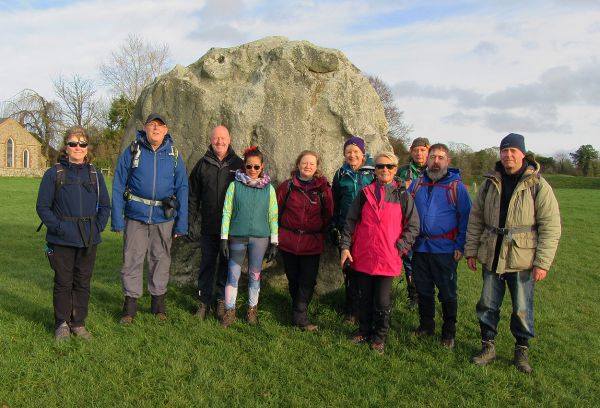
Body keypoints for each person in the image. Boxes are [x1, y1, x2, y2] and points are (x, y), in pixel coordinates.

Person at [465, 133, 561, 374]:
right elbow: (475, 219)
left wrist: (543, 263)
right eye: (504, 150)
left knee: (521, 307)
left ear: (523, 154)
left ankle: (521, 350)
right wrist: (471, 251)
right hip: (491, 253)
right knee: (487, 304)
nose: (508, 155)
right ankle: (488, 346)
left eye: (513, 151)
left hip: (522, 258)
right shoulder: (489, 182)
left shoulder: (538, 185)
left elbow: (551, 226)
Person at [112, 113, 188, 324]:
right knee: (132, 259)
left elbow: (182, 187)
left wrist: (181, 222)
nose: (156, 129)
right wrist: (117, 219)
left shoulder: (173, 154)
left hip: (163, 217)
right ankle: (129, 307)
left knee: (161, 259)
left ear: (166, 130)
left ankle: (158, 306)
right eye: (152, 125)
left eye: (160, 126)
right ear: (144, 128)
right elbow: (118, 183)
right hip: (135, 215)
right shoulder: (133, 150)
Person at [340, 152, 419, 354]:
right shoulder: (364, 193)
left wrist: (399, 247)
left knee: (382, 301)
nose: (385, 170)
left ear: (395, 168)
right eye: (381, 166)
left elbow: (413, 226)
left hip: (387, 257)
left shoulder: (402, 195)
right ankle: (364, 330)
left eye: (390, 166)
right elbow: (350, 222)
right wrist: (346, 246)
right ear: (374, 169)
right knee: (364, 297)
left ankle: (379, 336)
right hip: (364, 255)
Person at [36, 127, 110, 340]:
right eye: (73, 144)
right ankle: (61, 323)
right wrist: (59, 227)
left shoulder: (95, 174)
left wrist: (97, 227)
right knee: (63, 281)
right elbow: (43, 207)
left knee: (83, 282)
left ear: (87, 148)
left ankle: (78, 323)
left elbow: (105, 206)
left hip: (88, 238)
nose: (78, 148)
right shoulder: (54, 174)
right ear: (65, 148)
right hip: (62, 238)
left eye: (82, 144)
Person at [408, 143, 471, 348]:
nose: (436, 161)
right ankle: (426, 325)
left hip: (445, 249)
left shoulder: (457, 187)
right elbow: (405, 211)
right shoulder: (416, 184)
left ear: (448, 161)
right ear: (426, 159)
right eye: (433, 157)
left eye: (440, 157)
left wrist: (460, 246)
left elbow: (466, 219)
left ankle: (448, 332)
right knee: (423, 290)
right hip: (420, 247)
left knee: (447, 292)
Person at [188, 125, 243, 320]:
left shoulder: (239, 165)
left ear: (229, 139)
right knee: (207, 264)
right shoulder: (202, 164)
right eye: (216, 138)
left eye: (223, 138)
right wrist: (189, 221)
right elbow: (193, 195)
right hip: (209, 226)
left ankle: (221, 301)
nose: (219, 142)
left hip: (232, 228)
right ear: (210, 140)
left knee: (226, 265)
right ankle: (204, 303)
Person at [220, 146, 278, 327]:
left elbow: (273, 215)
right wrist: (223, 237)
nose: (252, 171)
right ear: (244, 166)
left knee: (255, 275)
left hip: (260, 238)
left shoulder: (269, 189)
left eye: (256, 167)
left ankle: (252, 309)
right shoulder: (234, 186)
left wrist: (274, 241)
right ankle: (229, 311)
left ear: (262, 167)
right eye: (249, 167)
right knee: (233, 274)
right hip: (237, 236)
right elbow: (226, 212)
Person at [276, 150, 334, 331]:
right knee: (293, 279)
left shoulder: (323, 190)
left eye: (311, 164)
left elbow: (328, 214)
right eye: (304, 163)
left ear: (316, 167)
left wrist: (317, 231)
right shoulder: (287, 187)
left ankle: (300, 316)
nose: (308, 166)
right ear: (298, 164)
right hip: (289, 240)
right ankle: (299, 311)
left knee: (308, 280)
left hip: (312, 241)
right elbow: (276, 210)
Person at [330, 136, 375, 323]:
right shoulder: (341, 174)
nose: (352, 155)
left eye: (356, 151)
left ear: (363, 153)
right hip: (346, 227)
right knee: (348, 269)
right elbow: (335, 200)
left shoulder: (373, 173)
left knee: (365, 269)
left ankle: (366, 308)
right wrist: (333, 224)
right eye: (348, 152)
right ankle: (351, 310)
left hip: (368, 228)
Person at [397, 137, 430, 309]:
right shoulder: (402, 171)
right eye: (416, 150)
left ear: (428, 151)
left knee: (427, 262)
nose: (419, 153)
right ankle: (413, 296)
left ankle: (428, 295)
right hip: (407, 221)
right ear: (411, 151)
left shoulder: (434, 170)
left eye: (422, 150)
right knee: (409, 261)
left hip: (427, 224)